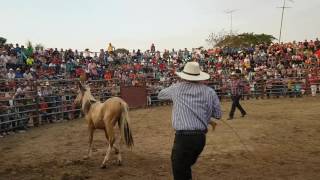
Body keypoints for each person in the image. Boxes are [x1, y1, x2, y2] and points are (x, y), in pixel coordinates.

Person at [158, 61, 222, 180]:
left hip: (183, 138)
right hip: (200, 139)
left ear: (184, 76)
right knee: (184, 167)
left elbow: (160, 95)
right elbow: (218, 115)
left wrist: (175, 87)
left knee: (180, 171)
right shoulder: (209, 91)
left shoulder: (176, 88)